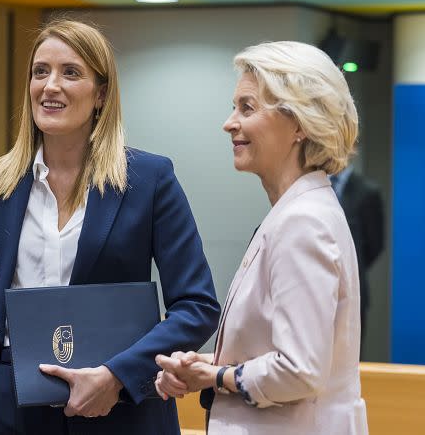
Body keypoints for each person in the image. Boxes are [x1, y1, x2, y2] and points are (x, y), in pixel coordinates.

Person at [0, 19, 220, 435]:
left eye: (70, 73)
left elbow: (197, 306)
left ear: (101, 94)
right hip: (9, 408)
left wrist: (118, 375)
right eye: (40, 71)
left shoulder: (149, 180)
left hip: (121, 408)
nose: (50, 86)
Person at [156, 41, 369, 434]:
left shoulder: (303, 221)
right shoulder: (297, 212)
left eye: (247, 107)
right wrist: (210, 367)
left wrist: (216, 377)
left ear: (300, 123)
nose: (229, 122)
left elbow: (299, 370)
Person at [331, 164, 385, 352]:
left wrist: (348, 268)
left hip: (353, 291)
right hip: (314, 287)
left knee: (349, 359)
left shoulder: (367, 191)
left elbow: (375, 245)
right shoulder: (314, 186)